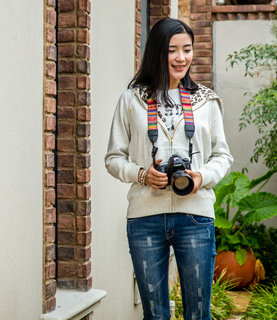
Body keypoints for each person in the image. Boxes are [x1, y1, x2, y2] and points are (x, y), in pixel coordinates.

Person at [105, 18, 233, 320]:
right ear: (157, 53)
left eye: (187, 50)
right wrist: (141, 174)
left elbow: (223, 157)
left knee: (198, 315)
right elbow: (113, 158)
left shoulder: (206, 100)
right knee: (155, 315)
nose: (181, 58)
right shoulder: (132, 99)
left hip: (196, 215)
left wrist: (201, 177)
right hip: (145, 217)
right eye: (172, 50)